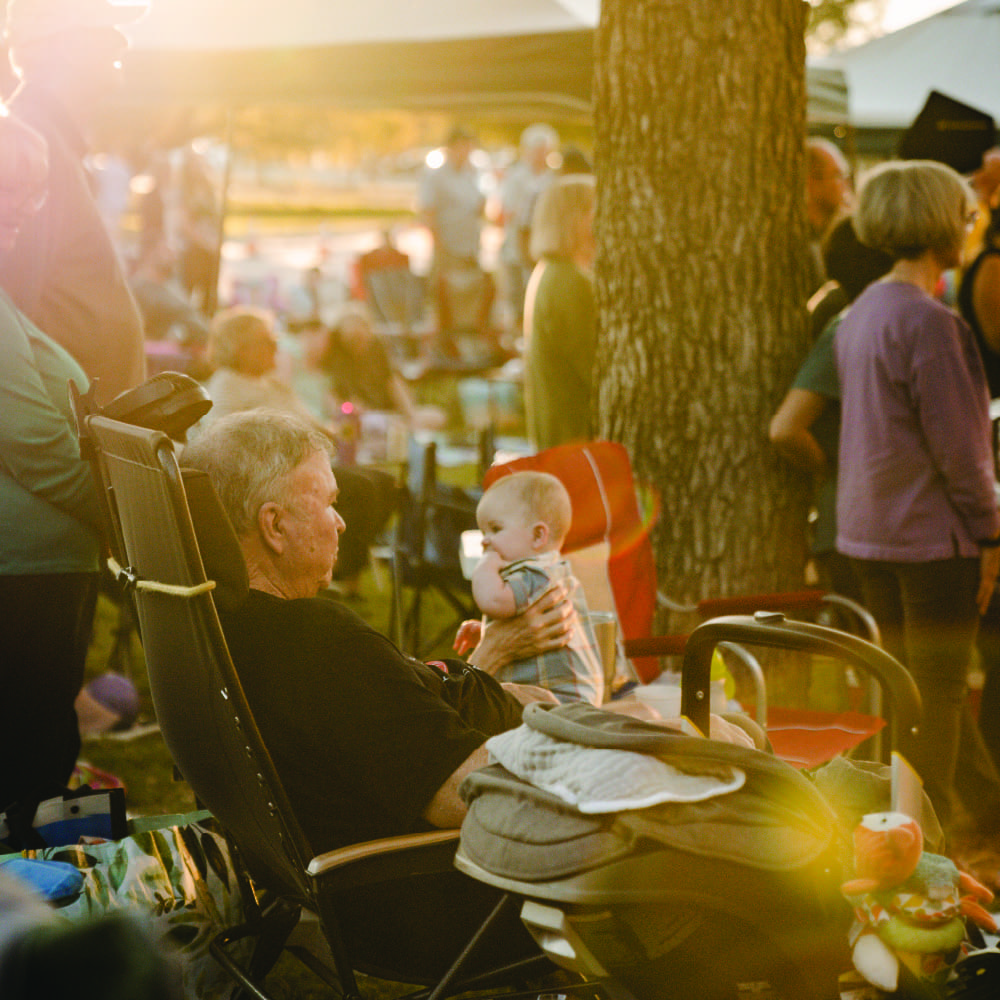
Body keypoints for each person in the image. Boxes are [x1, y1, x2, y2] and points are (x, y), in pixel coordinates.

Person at [180, 409, 755, 977]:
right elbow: (470, 792)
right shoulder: (315, 644)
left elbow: (393, 731)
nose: (342, 523)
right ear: (274, 526)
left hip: (381, 892)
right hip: (456, 899)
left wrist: (505, 686)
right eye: (329, 504)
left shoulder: (227, 632)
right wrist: (647, 749)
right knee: (724, 768)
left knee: (717, 737)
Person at [834, 159, 1000, 850]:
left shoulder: (862, 309)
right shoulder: (932, 323)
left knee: (910, 694)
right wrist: (993, 535)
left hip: (870, 536)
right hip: (934, 544)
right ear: (939, 225)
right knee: (934, 702)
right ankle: (916, 856)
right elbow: (963, 451)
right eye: (966, 218)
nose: (973, 228)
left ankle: (976, 819)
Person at [0, 108, 103, 812]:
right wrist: (145, 515)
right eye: (9, 183)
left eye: (33, 189)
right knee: (29, 759)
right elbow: (38, 449)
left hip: (38, 570)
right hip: (25, 575)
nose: (22, 205)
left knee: (34, 748)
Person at [0, 0, 147, 407]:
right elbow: (14, 312)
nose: (120, 39)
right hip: (65, 443)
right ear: (61, 46)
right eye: (104, 29)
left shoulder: (47, 140)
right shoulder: (30, 148)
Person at [201, 305, 398, 595]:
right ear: (240, 349)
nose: (276, 346)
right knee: (363, 488)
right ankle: (335, 569)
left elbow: (314, 426)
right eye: (266, 340)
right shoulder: (226, 387)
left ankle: (337, 566)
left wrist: (345, 428)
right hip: (271, 480)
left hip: (307, 465)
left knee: (386, 484)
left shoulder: (273, 384)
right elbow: (222, 447)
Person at [769, 217, 892, 599]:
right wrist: (830, 468)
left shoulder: (869, 322)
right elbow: (786, 429)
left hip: (869, 526)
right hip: (849, 529)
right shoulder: (848, 326)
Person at [468, 472, 604, 705]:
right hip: (574, 696)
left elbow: (492, 600)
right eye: (483, 532)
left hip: (554, 699)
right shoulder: (554, 570)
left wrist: (483, 568)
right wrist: (485, 632)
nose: (485, 541)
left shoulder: (532, 573)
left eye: (495, 529)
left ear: (538, 535)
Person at [522, 174, 596, 450]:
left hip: (557, 438)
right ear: (575, 219)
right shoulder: (569, 281)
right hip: (574, 440)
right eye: (594, 210)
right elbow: (595, 368)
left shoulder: (549, 271)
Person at [417, 125, 496, 358]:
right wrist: (439, 245)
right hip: (448, 249)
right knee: (443, 299)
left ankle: (469, 346)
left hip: (470, 248)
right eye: (462, 146)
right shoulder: (436, 175)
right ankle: (442, 348)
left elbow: (480, 205)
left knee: (471, 296)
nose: (466, 151)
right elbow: (428, 211)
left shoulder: (473, 174)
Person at [497, 123, 559, 331]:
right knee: (517, 295)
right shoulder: (516, 176)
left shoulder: (553, 177)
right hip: (518, 244)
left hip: (543, 245)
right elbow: (507, 211)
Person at [805, 138, 852, 296]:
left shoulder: (846, 235)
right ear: (811, 182)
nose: (845, 184)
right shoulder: (796, 239)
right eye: (837, 175)